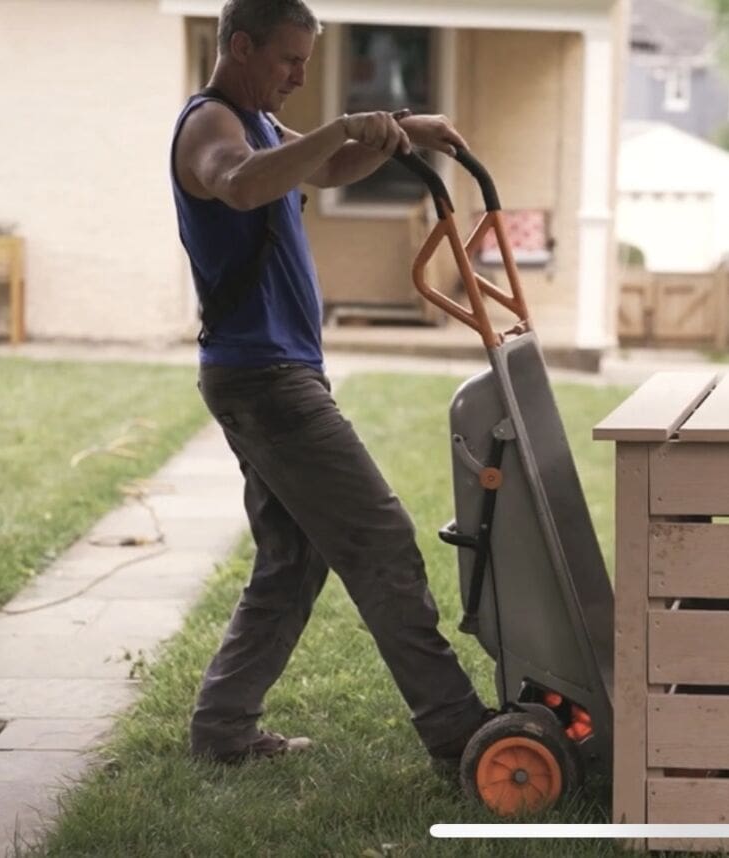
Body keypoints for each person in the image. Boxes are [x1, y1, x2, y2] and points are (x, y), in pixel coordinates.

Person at [169, 0, 492, 771]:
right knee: (381, 540)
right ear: (240, 46)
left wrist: (401, 131)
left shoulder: (264, 127)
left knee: (293, 558)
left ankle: (223, 732)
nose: (299, 76)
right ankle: (458, 736)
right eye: (288, 61)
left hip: (269, 374)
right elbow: (241, 184)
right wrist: (346, 122)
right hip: (267, 380)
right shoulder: (211, 127)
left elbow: (330, 166)